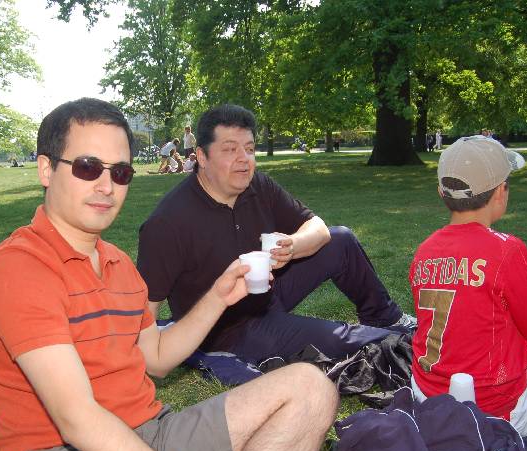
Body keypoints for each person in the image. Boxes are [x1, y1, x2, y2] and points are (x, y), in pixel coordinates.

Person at [0, 98, 366, 451]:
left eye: (120, 172)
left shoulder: (118, 264)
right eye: (88, 167)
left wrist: (217, 298)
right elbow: (77, 421)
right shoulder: (21, 268)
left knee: (311, 388)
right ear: (47, 169)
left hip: (151, 437)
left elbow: (156, 357)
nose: (106, 186)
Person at [138, 104, 416, 369]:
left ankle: (386, 318)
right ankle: (406, 341)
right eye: (230, 150)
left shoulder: (257, 186)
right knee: (345, 339)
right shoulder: (167, 223)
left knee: (341, 239)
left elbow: (318, 228)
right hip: (228, 331)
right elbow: (143, 314)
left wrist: (293, 246)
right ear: (201, 157)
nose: (244, 159)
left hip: (268, 295)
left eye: (249, 149)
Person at [408, 135, 527, 437]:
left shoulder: (425, 250)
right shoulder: (506, 251)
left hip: (427, 396)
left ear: (441, 192)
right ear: (501, 192)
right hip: (494, 410)